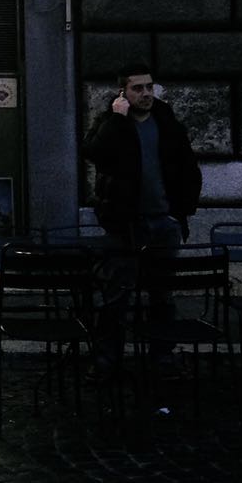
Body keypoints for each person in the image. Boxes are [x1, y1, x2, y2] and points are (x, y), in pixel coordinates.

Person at [82, 63, 202, 361]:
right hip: (124, 225)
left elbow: (189, 169)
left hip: (164, 222)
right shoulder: (111, 122)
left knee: (162, 296)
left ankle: (161, 359)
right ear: (123, 92)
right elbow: (95, 153)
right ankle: (108, 361)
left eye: (149, 87)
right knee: (115, 297)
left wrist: (181, 212)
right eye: (138, 88)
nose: (146, 93)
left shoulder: (166, 122)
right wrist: (118, 120)